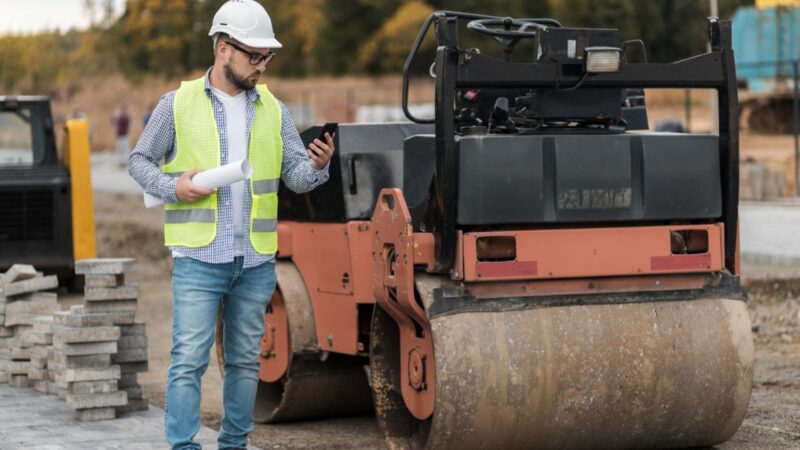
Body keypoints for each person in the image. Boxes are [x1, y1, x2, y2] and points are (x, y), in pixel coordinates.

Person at [127, 1, 335, 448]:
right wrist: (171, 186)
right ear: (223, 48)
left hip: (255, 259)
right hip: (199, 258)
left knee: (244, 361)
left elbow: (295, 178)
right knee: (188, 361)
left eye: (267, 57)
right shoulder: (176, 104)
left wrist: (318, 166)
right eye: (253, 56)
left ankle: (234, 445)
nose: (262, 65)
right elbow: (138, 161)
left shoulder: (274, 110)